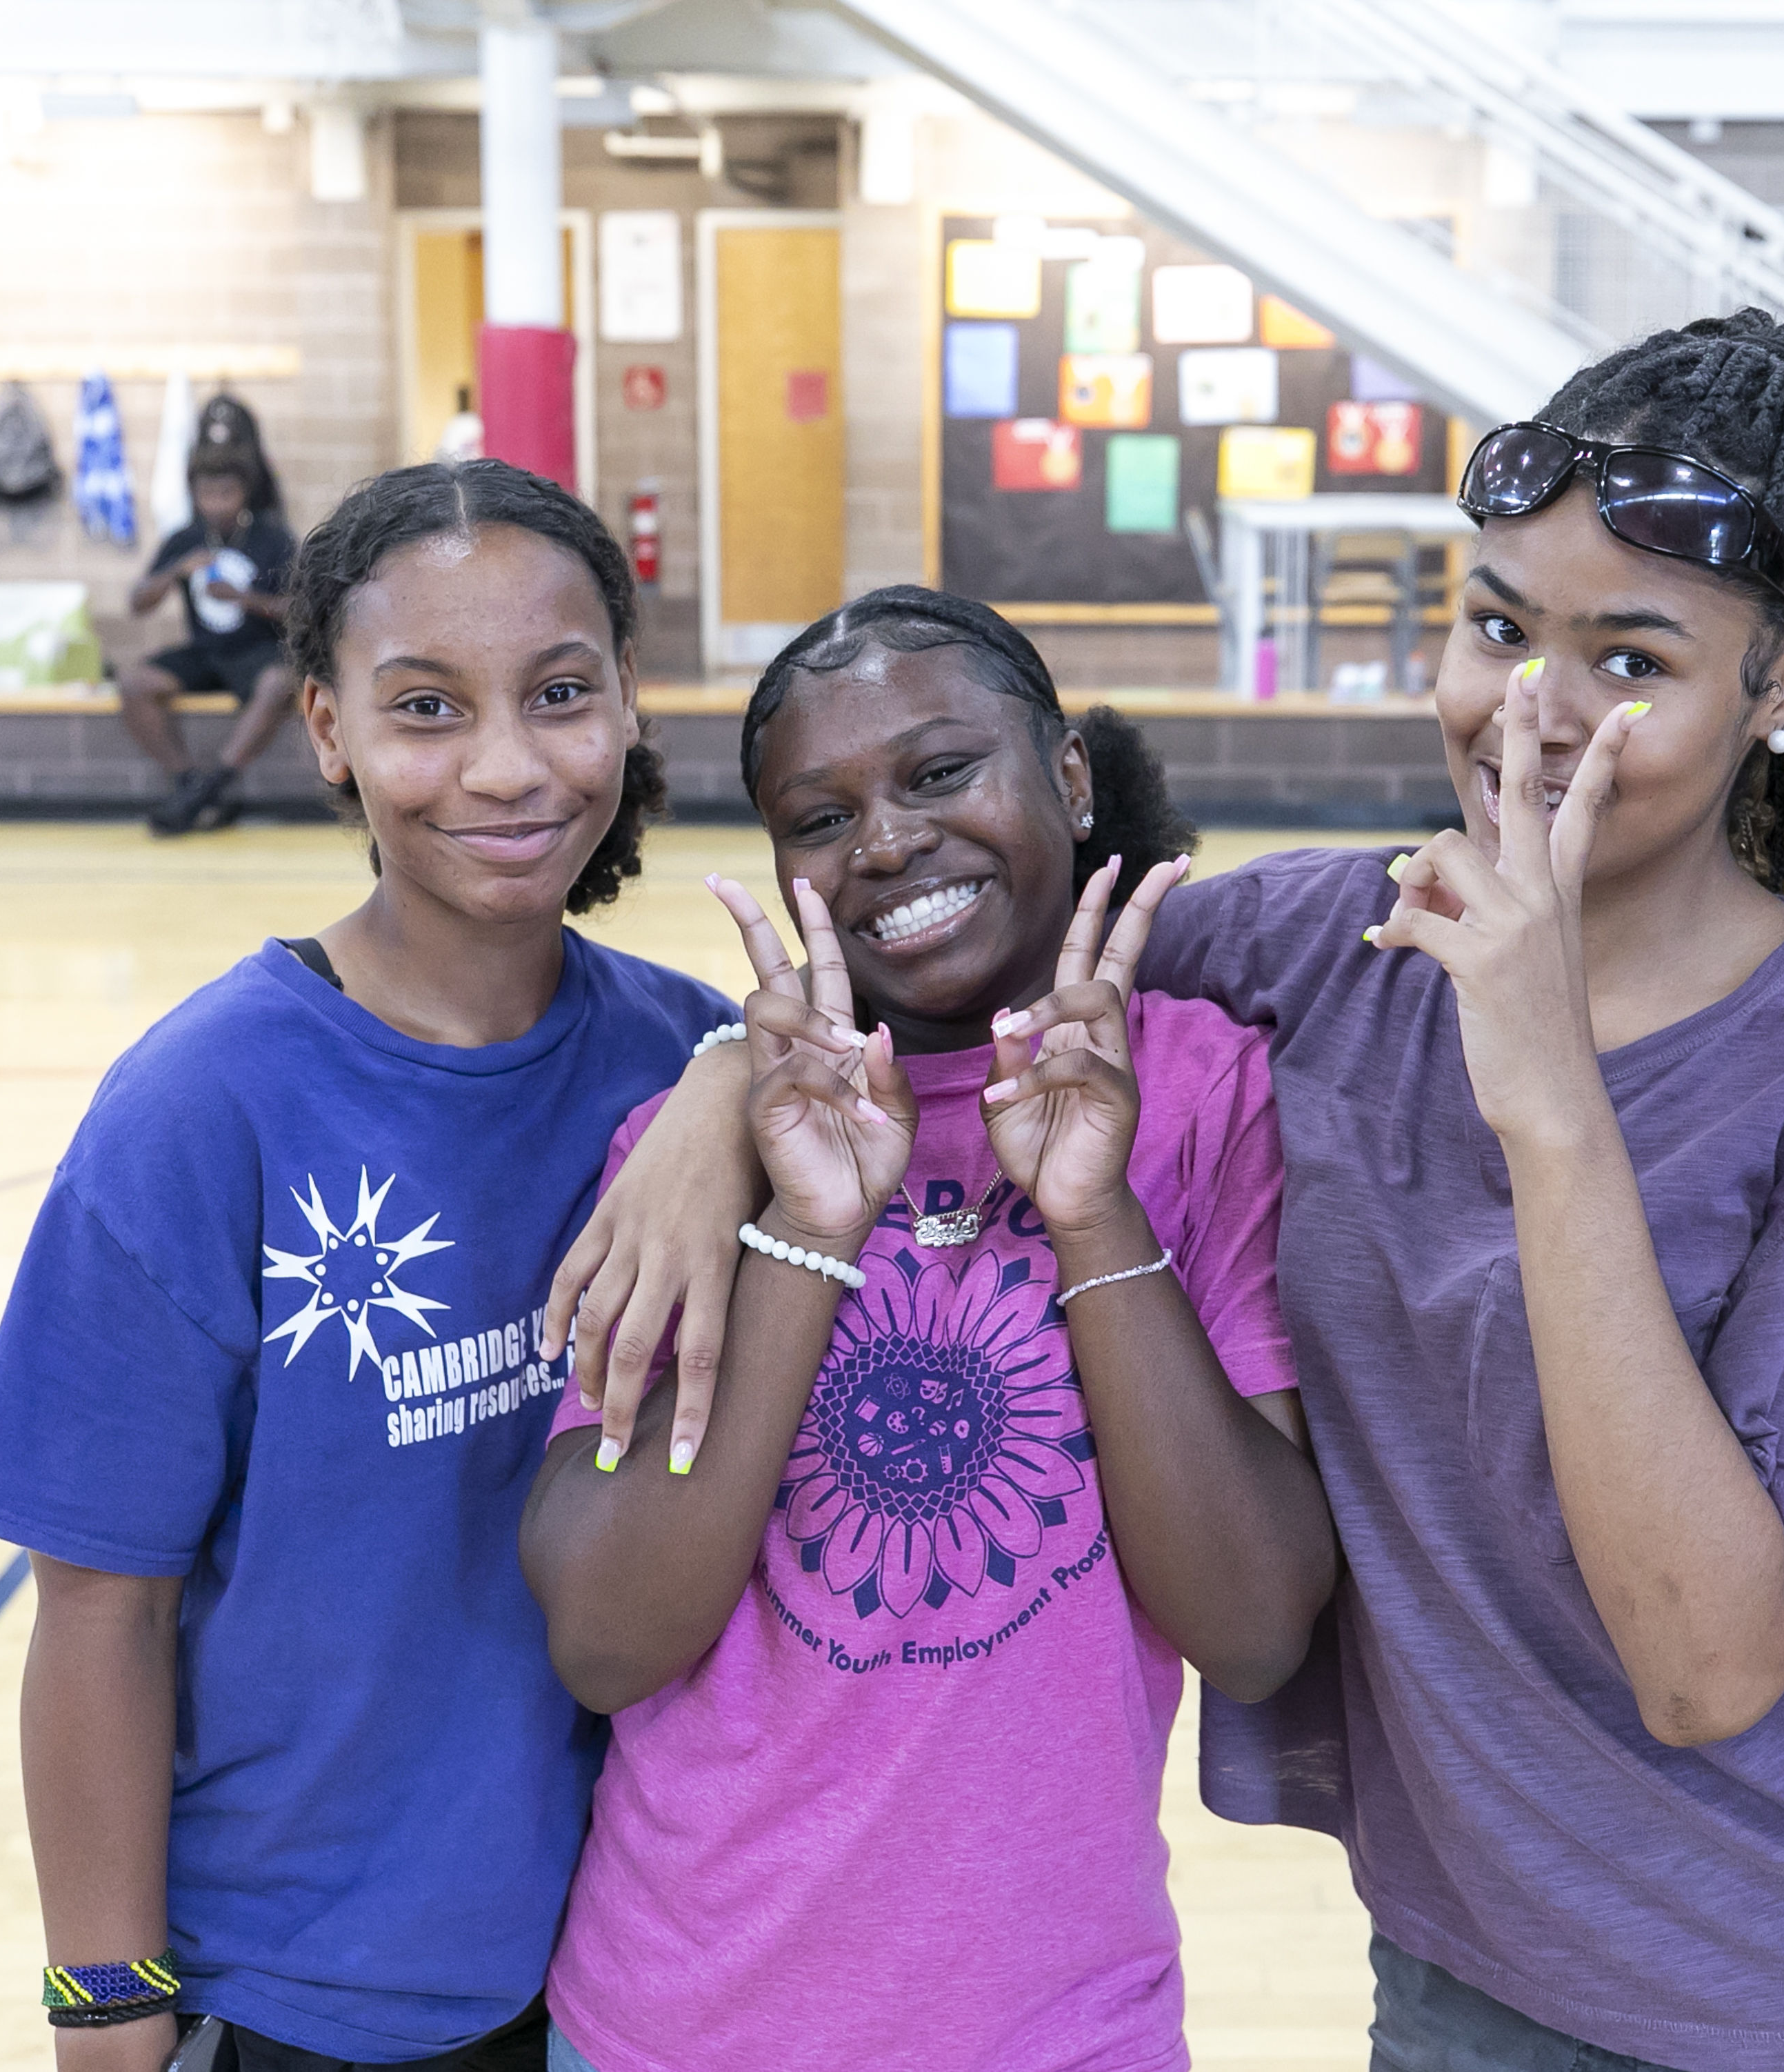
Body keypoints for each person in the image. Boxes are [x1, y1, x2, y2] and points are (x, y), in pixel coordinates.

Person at [546, 316, 1784, 2072]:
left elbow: (1710, 1667)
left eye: (1634, 661)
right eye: (1499, 626)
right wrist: (707, 1101)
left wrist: (1549, 1101)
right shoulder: (1315, 946)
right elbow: (956, 974)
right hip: (1472, 1965)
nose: (1532, 710)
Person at [0, 458, 732, 2072]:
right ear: (325, 730)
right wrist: (107, 2008)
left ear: (629, 705)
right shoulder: (201, 1108)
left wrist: (734, 1080)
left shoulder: (683, 1056)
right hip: (304, 1991)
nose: (505, 766)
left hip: (637, 1970)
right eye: (426, 708)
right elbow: (97, 1611)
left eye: (559, 693)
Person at [519, 588, 1336, 2072]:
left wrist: (1093, 1215)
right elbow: (607, 1634)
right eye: (819, 817)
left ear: (1070, 777)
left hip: (1060, 2028)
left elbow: (1256, 1625)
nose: (886, 841)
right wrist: (808, 1227)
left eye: (941, 772)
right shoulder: (702, 1141)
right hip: (674, 2024)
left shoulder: (1209, 1095)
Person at [121, 447, 299, 837]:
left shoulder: (272, 538)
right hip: (205, 652)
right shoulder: (186, 539)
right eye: (206, 494)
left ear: (244, 495)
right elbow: (138, 603)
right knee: (136, 683)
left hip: (258, 650)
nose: (216, 504)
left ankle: (215, 783)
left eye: (226, 493)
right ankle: (189, 784)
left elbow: (302, 609)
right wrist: (174, 573)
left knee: (281, 682)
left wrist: (244, 599)